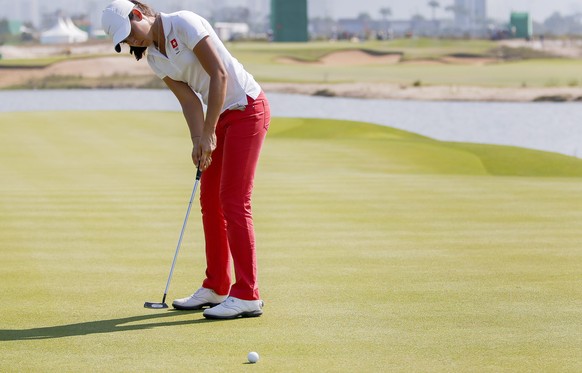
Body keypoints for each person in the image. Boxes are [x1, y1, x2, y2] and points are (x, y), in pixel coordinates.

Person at [102, 0, 270, 320]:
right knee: (210, 201)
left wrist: (208, 133)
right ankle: (217, 285)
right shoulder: (155, 58)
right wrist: (198, 140)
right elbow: (190, 101)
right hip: (218, 116)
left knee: (234, 201)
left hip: (247, 108)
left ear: (139, 15)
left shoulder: (185, 22)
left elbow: (218, 75)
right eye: (124, 40)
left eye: (129, 32)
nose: (130, 41)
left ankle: (248, 294)